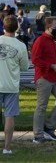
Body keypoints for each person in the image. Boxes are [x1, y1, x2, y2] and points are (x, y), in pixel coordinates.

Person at [32, 16, 56, 143]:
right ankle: (38, 134)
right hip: (44, 77)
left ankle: (48, 126)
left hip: (55, 77)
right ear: (48, 27)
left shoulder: (53, 40)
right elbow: (35, 59)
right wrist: (51, 66)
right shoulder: (40, 40)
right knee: (41, 106)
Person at [0, 15, 29, 154]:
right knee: (9, 116)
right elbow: (24, 67)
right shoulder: (20, 45)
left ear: (3, 26)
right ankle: (7, 147)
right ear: (17, 27)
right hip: (11, 85)